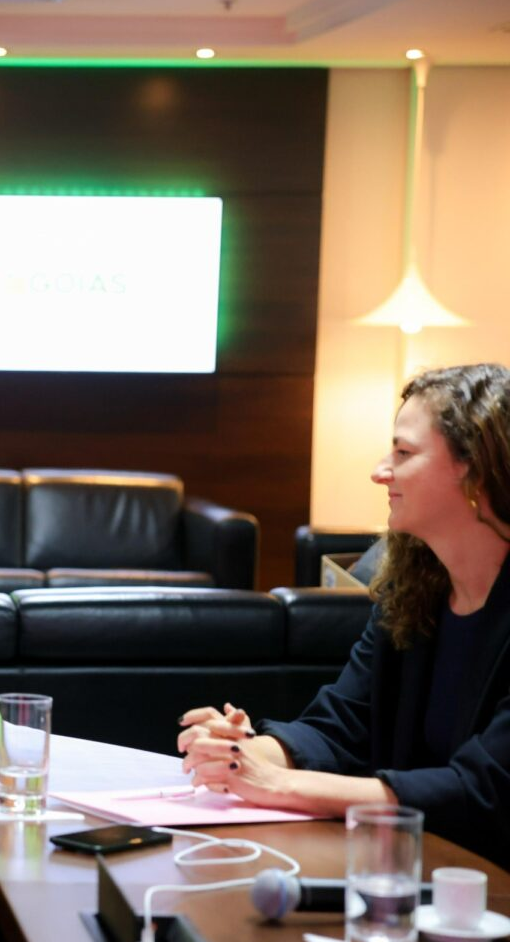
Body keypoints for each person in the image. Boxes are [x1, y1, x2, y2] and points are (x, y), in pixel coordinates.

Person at [179, 363, 510, 866]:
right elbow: (339, 726)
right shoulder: (413, 590)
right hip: (410, 870)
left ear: (477, 469)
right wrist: (240, 752)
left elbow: (484, 790)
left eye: (403, 453)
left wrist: (281, 784)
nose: (380, 471)